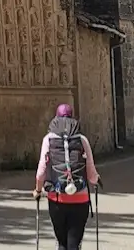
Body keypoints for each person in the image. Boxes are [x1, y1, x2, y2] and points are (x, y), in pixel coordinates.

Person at [32, 103, 101, 250]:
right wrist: (97, 180)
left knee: (62, 242)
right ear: (72, 118)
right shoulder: (81, 139)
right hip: (80, 198)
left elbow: (41, 171)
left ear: (56, 118)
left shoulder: (49, 139)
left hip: (57, 199)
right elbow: (91, 173)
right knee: (74, 243)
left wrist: (38, 190)